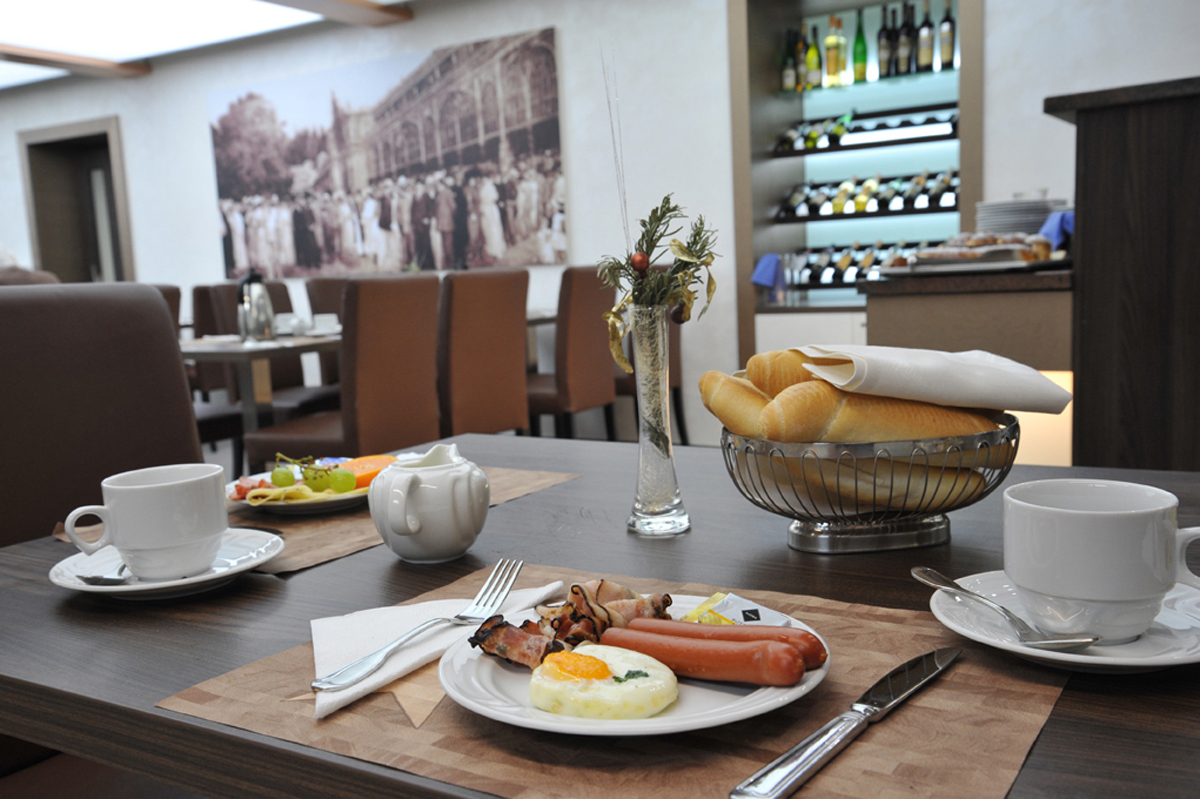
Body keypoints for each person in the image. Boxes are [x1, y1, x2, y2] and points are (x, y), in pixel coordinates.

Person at [479, 173, 507, 263]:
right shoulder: (488, 187)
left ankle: (495, 249)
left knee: (493, 230)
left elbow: (492, 198)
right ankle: (493, 249)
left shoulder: (487, 188)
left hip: (489, 211)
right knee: (491, 230)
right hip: (489, 211)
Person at [435, 177, 458, 271]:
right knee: (444, 245)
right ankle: (447, 263)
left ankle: (451, 264)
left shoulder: (447, 193)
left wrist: (450, 217)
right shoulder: (439, 194)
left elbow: (453, 207)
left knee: (448, 244)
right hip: (441, 224)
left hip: (447, 223)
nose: (436, 187)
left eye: (438, 185)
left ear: (442, 184)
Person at [410, 180, 433, 270]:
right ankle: (420, 265)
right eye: (417, 187)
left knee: (426, 245)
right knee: (418, 246)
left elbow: (431, 209)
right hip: (417, 226)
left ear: (423, 187)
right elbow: (412, 211)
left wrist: (428, 218)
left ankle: (429, 265)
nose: (418, 188)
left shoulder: (426, 196)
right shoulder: (414, 197)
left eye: (420, 186)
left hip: (424, 226)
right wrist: (413, 222)